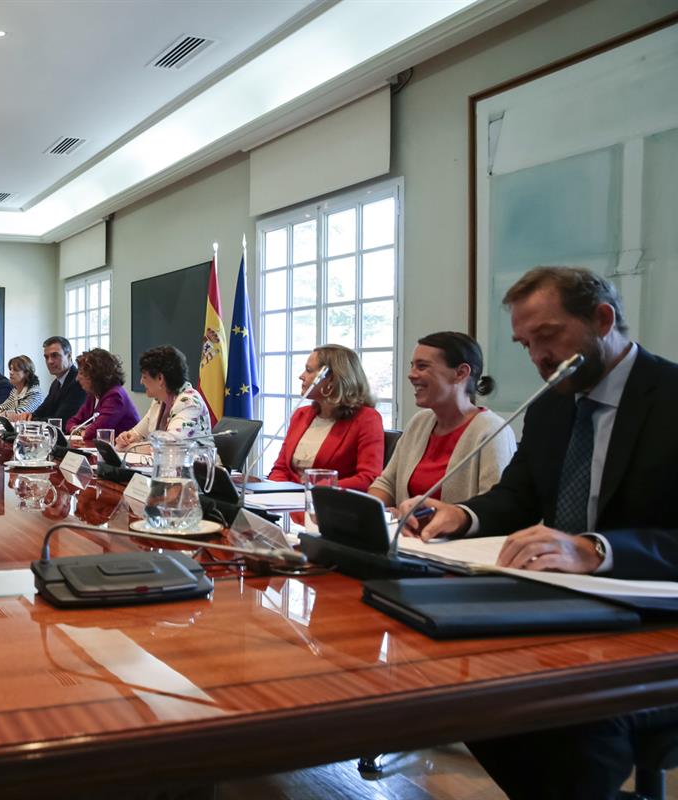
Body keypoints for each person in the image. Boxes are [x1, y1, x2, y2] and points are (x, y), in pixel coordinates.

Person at [403, 267, 678, 800]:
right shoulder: (554, 404)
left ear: (603, 319)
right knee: (454, 675)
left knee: (569, 718)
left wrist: (595, 550)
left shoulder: (671, 397)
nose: (538, 358)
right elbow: (518, 496)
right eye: (526, 344)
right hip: (560, 609)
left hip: (652, 623)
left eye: (547, 337)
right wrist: (463, 515)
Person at [369, 332, 516, 507]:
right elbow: (386, 484)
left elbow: (495, 509)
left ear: (461, 373)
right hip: (406, 534)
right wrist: (373, 513)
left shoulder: (493, 431)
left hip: (458, 536)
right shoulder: (419, 422)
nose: (411, 375)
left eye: (422, 366)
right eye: (412, 366)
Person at [267, 344, 383, 491]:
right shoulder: (300, 415)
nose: (301, 376)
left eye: (309, 370)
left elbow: (368, 478)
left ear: (332, 379)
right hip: (287, 505)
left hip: (330, 505)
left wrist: (316, 489)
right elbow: (280, 468)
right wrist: (275, 493)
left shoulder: (367, 419)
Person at [115, 345, 210, 449]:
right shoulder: (159, 400)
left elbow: (166, 448)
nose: (141, 381)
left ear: (160, 378)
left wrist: (127, 448)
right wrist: (125, 438)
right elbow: (137, 434)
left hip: (198, 464)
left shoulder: (189, 404)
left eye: (144, 376)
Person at [65, 348, 140, 443]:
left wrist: (80, 431)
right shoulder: (94, 395)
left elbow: (96, 432)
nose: (77, 379)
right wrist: (81, 431)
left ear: (96, 375)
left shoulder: (115, 395)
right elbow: (71, 422)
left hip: (123, 454)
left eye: (81, 373)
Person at [25, 336, 87, 423]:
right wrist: (29, 416)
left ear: (69, 356)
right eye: (46, 357)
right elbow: (43, 410)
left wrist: (31, 420)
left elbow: (62, 420)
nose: (50, 361)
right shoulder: (56, 383)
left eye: (55, 355)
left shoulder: (78, 382)